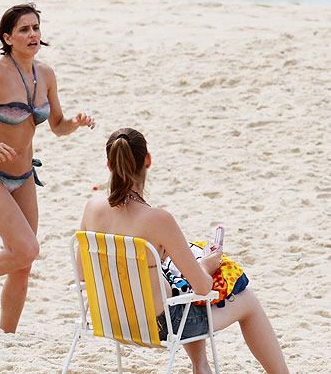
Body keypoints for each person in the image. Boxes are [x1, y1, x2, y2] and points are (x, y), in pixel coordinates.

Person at [79, 128, 289, 374]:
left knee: (178, 288)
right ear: (148, 160)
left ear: (108, 165)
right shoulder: (158, 220)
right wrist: (205, 267)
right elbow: (203, 287)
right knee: (247, 302)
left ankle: (201, 366)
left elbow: (83, 276)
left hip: (108, 318)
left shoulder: (92, 208)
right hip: (157, 326)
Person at [0, 3, 95, 333]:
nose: (33, 34)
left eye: (36, 28)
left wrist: (75, 123)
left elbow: (56, 125)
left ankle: (6, 336)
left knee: (22, 263)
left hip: (24, 176)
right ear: (8, 38)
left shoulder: (46, 74)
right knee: (27, 249)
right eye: (24, 30)